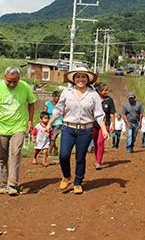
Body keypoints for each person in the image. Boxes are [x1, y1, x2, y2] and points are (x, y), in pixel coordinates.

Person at [47, 67, 109, 195]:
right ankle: (66, 175)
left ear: (88, 79)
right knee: (63, 155)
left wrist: (104, 129)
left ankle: (78, 183)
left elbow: (98, 113)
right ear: (74, 79)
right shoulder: (66, 92)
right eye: (78, 77)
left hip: (85, 130)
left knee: (80, 158)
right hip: (68, 128)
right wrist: (49, 124)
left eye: (83, 77)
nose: (81, 79)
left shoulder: (93, 95)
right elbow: (58, 109)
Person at [0, 67, 36, 196]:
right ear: (4, 78)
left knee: (15, 153)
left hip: (18, 126)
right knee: (0, 156)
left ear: (19, 79)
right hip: (1, 128)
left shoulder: (25, 87)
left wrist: (30, 120)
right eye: (9, 81)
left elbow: (31, 102)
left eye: (15, 81)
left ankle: (12, 184)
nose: (12, 84)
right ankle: (2, 184)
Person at [93, 82, 116, 169]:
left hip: (105, 123)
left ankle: (98, 162)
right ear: (99, 91)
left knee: (100, 142)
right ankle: (97, 159)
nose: (106, 92)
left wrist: (113, 124)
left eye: (107, 90)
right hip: (94, 124)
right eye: (104, 90)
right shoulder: (94, 99)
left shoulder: (109, 100)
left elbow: (112, 113)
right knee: (95, 143)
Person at [44, 91, 62, 157]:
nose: (58, 98)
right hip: (49, 123)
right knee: (49, 138)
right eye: (56, 96)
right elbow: (44, 113)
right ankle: (56, 148)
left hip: (58, 123)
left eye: (59, 96)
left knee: (53, 137)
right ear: (53, 97)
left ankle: (49, 151)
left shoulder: (60, 104)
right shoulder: (48, 103)